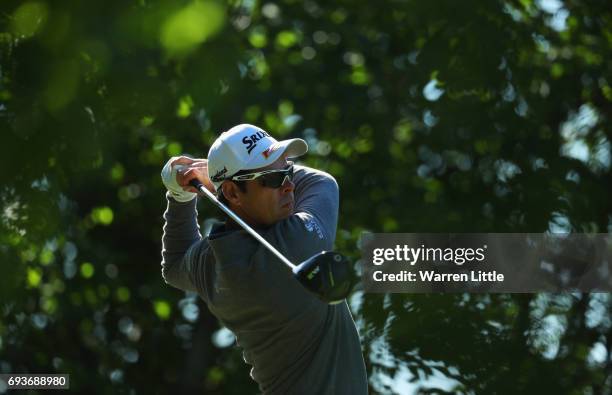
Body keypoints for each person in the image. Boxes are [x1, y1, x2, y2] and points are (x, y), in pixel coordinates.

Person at [160, 124, 368, 394]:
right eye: (273, 178)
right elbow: (321, 182)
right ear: (234, 194)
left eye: (289, 171)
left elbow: (175, 264)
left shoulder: (213, 261)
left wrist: (179, 196)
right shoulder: (298, 242)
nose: (289, 185)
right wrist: (210, 178)